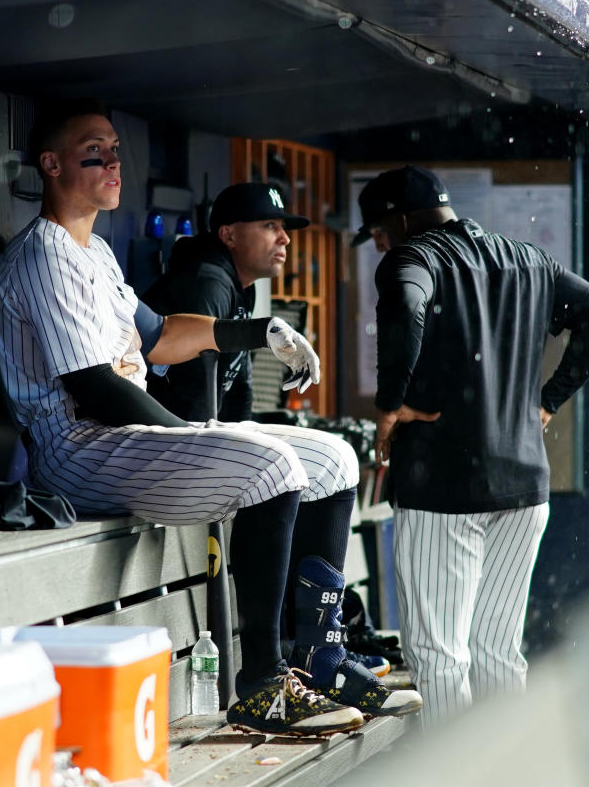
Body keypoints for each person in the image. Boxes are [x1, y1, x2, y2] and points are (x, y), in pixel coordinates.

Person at [0, 101, 413, 737]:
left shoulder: (95, 252)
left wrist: (261, 332)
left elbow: (160, 337)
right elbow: (93, 385)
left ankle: (319, 658)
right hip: (77, 446)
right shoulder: (43, 254)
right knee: (269, 466)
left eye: (114, 149)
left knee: (335, 458)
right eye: (93, 151)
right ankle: (264, 681)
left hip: (122, 439)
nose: (112, 161)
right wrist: (196, 436)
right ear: (50, 165)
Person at [353, 166, 589, 727]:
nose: (378, 243)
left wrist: (389, 406)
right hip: (524, 485)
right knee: (499, 653)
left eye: (378, 230)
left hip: (442, 489)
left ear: (402, 220)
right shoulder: (527, 258)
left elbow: (405, 306)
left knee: (439, 655)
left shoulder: (412, 257)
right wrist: (548, 400)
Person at [143, 182, 409, 690]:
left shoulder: (236, 285)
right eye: (269, 226)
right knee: (274, 466)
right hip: (158, 446)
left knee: (331, 460)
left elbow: (235, 395)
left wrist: (251, 433)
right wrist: (240, 450)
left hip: (189, 438)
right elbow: (194, 400)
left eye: (283, 227)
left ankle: (317, 645)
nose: (283, 238)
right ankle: (272, 662)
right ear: (228, 233)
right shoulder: (206, 280)